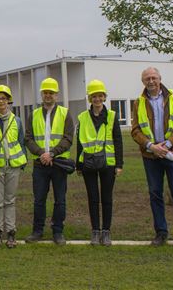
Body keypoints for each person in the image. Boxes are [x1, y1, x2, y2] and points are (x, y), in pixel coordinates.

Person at [131, 67, 173, 252]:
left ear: (160, 79)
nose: (151, 81)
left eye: (154, 78)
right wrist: (151, 146)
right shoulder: (139, 102)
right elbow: (135, 130)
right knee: (155, 195)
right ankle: (161, 233)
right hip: (151, 156)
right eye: (147, 79)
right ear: (143, 82)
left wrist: (166, 145)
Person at [24, 77, 74, 245]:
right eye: (45, 92)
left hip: (59, 163)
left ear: (56, 95)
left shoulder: (65, 113)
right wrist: (41, 154)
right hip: (40, 164)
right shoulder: (33, 114)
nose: (48, 95)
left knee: (60, 199)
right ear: (42, 94)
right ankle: (37, 231)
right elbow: (28, 138)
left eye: (51, 93)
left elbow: (68, 138)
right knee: (39, 199)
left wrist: (52, 153)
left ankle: (58, 231)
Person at [76, 80, 124, 246]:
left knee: (107, 198)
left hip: (108, 164)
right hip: (88, 163)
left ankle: (106, 231)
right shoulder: (82, 117)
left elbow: (118, 140)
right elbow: (80, 142)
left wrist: (119, 164)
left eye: (100, 96)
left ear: (104, 97)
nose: (97, 99)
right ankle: (95, 231)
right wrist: (78, 165)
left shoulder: (111, 116)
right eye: (94, 96)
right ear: (90, 98)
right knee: (93, 198)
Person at [0, 85, 27, 249]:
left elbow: (21, 141)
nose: (1, 101)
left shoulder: (16, 120)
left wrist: (23, 162)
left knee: (10, 200)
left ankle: (11, 232)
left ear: (8, 100)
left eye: (4, 98)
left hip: (13, 166)